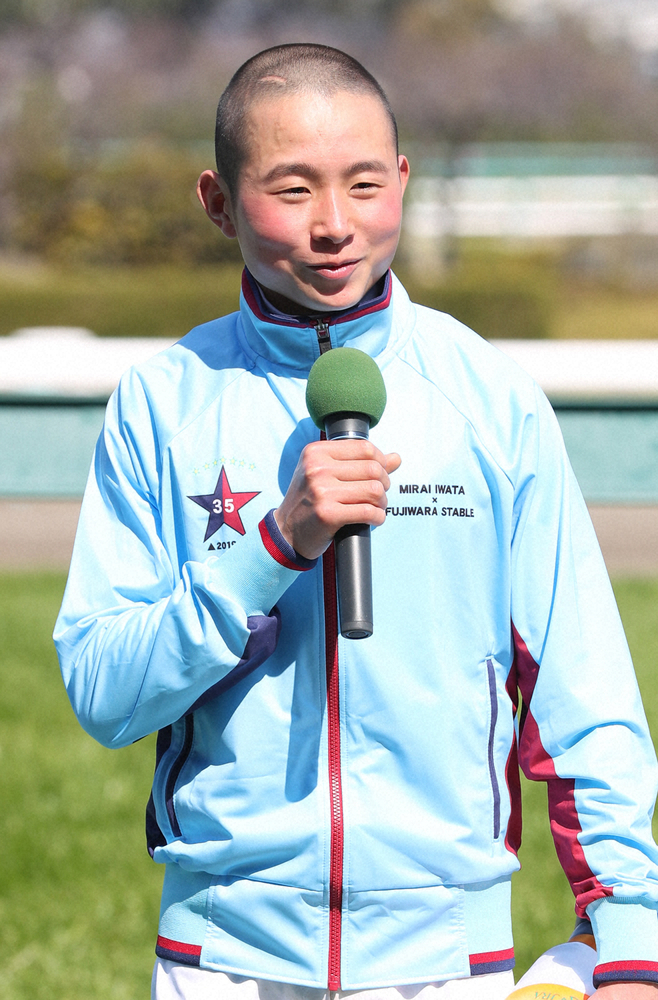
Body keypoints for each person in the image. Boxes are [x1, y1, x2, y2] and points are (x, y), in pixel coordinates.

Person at [54, 43, 658, 1000]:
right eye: (291, 191)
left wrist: (627, 935)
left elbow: (583, 697)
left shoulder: (492, 402)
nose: (335, 226)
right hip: (220, 956)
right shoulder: (162, 402)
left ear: (404, 180)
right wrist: (270, 550)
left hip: (448, 958)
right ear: (217, 201)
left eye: (364, 185)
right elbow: (102, 688)